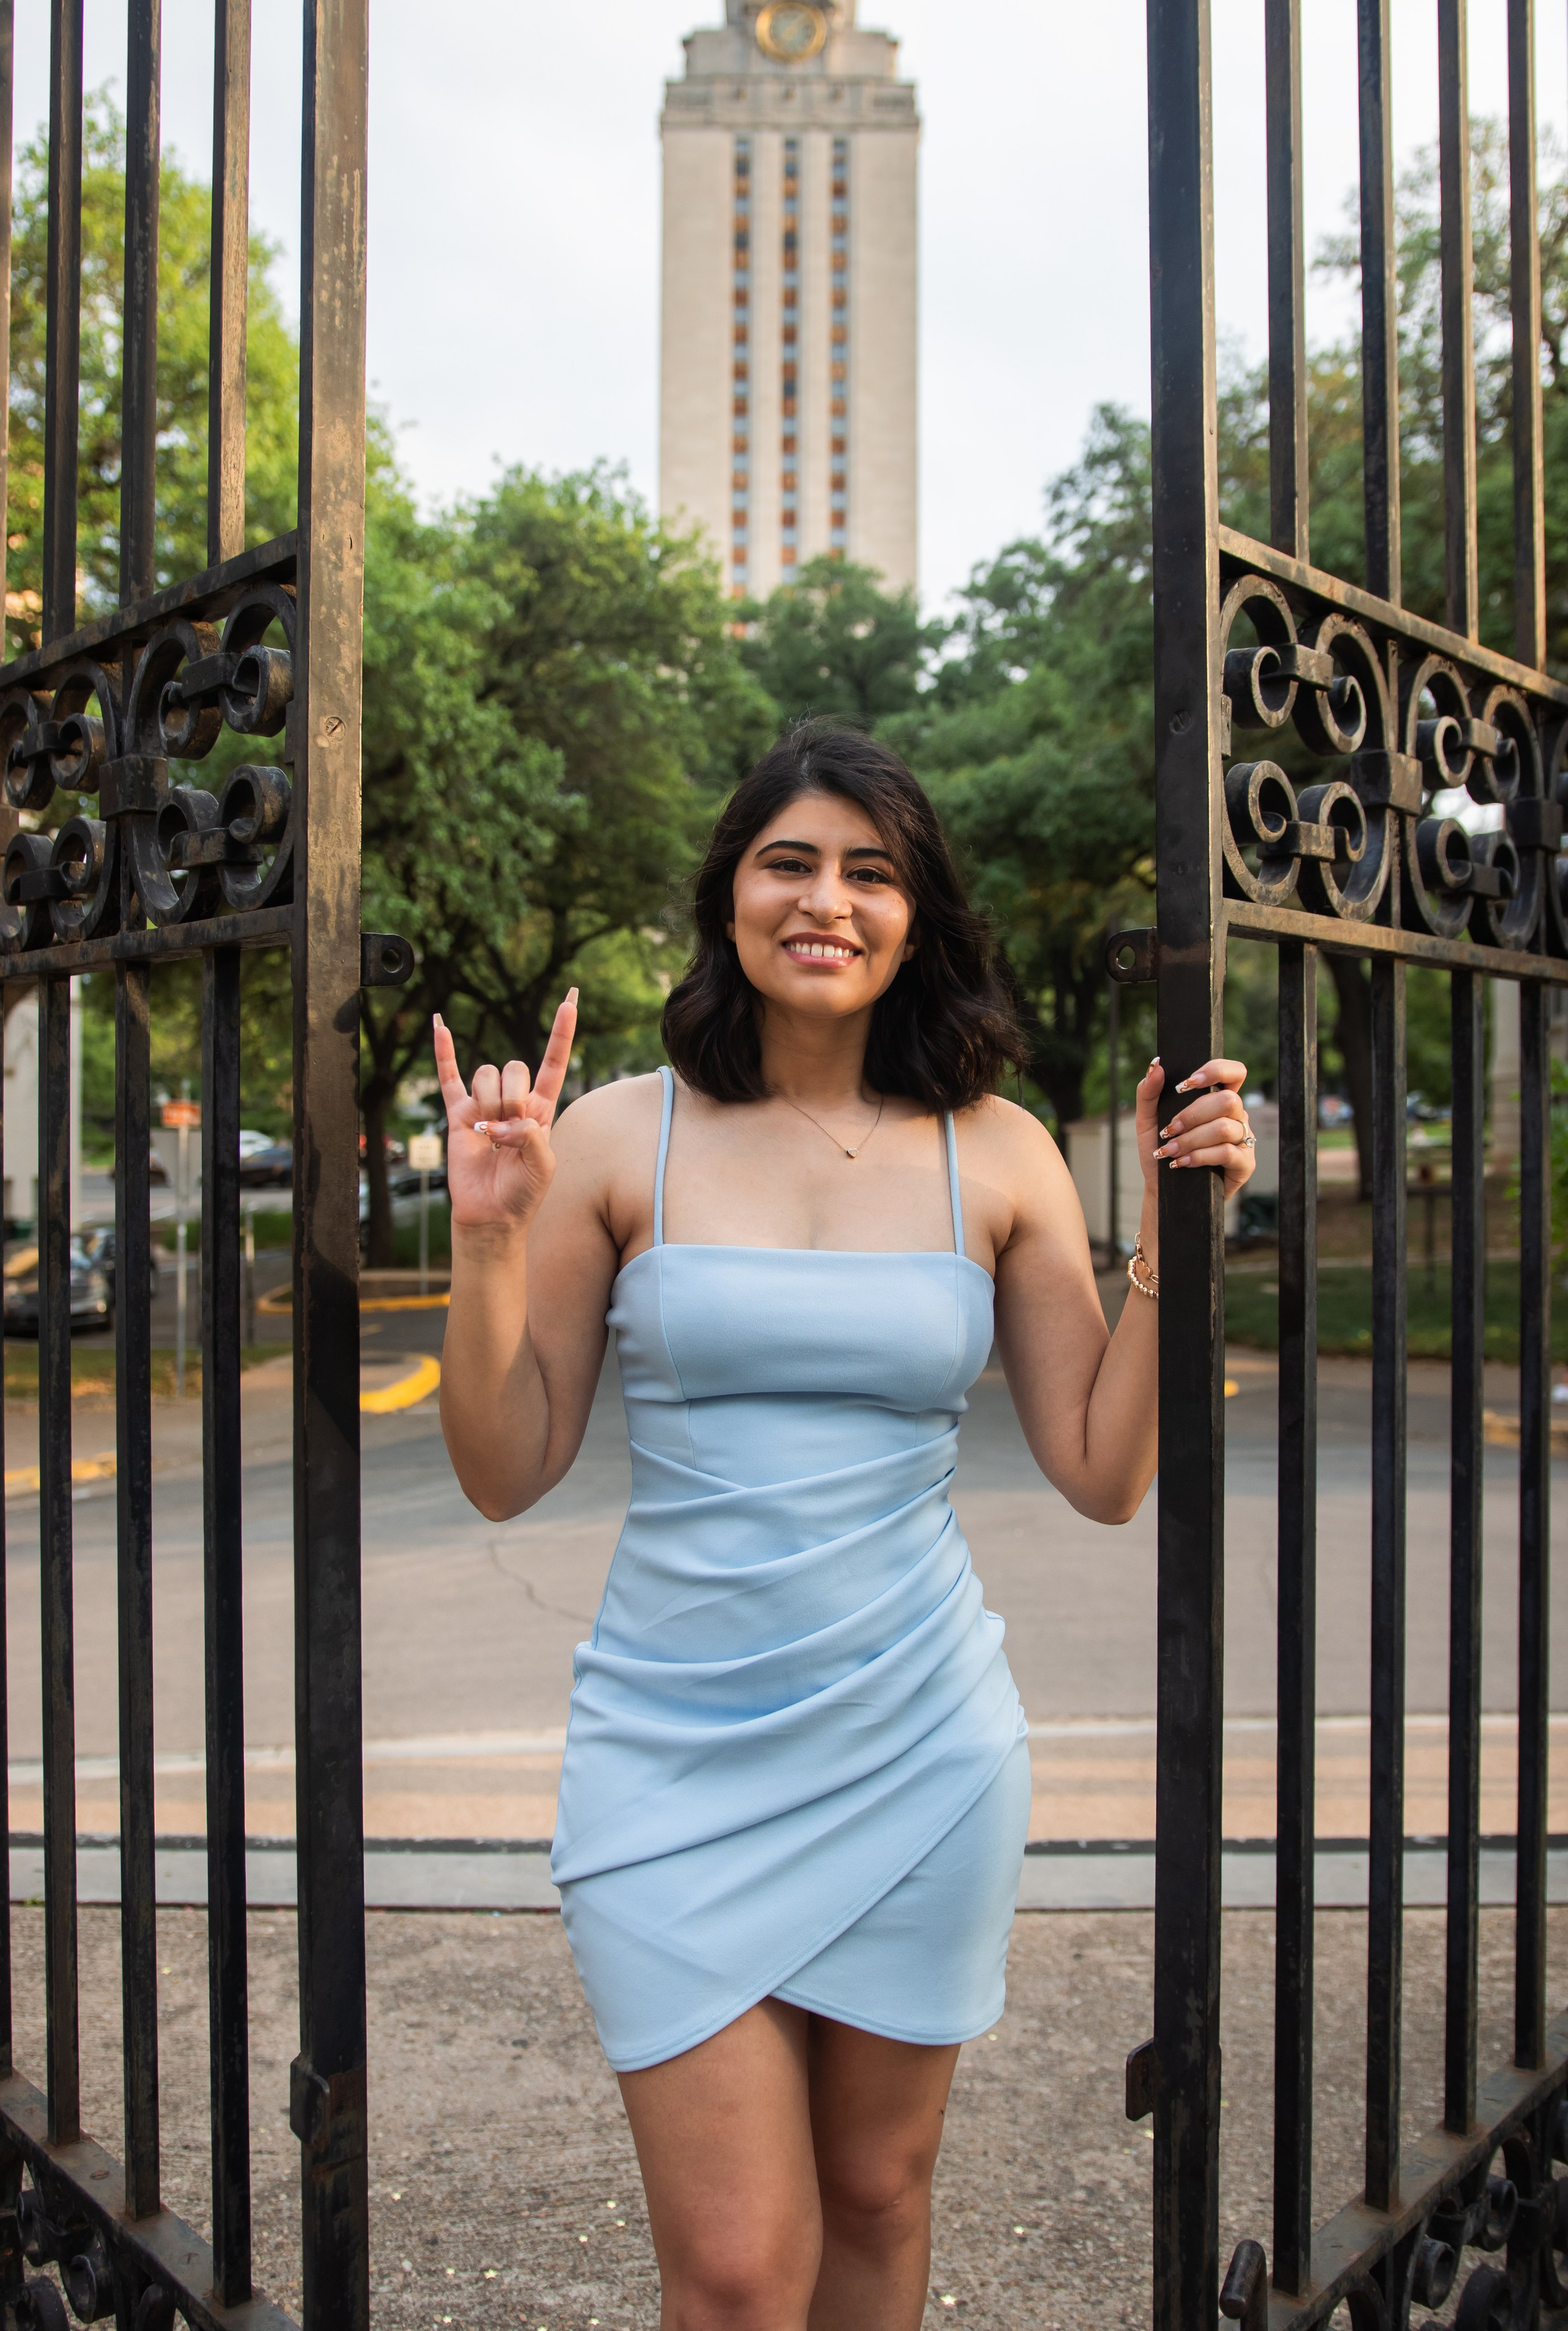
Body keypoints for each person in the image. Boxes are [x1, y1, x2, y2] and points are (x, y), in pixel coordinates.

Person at [435, 721, 1255, 2331]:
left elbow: (1102, 1467)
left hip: (920, 1751)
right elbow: (505, 1464)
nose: (827, 902)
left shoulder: (999, 1149)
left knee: (880, 2198)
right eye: (788, 863)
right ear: (730, 896)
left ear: (917, 915)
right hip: (671, 1759)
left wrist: (1178, 1239)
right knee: (739, 2273)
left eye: (870, 873)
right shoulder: (616, 1131)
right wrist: (487, 1243)